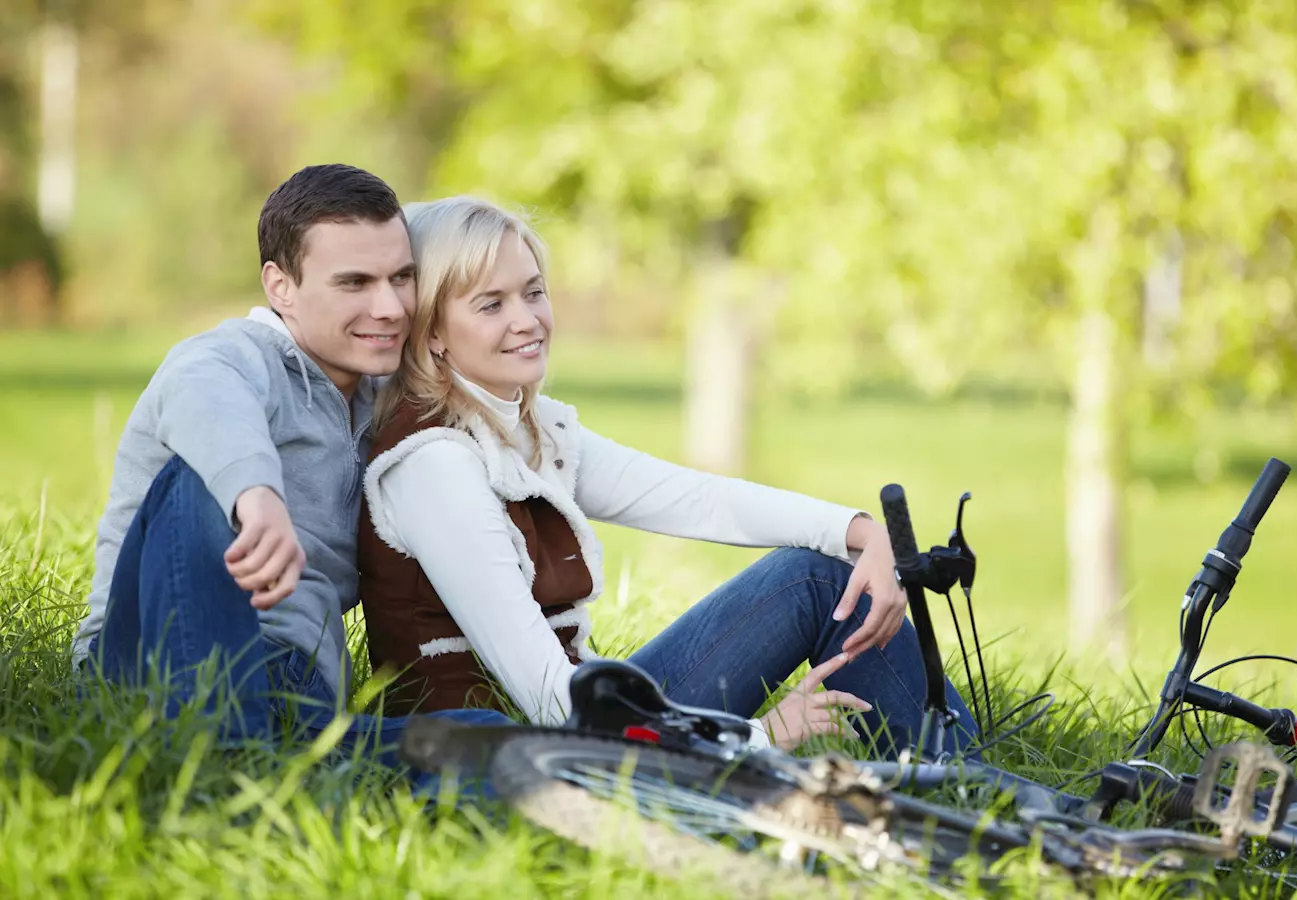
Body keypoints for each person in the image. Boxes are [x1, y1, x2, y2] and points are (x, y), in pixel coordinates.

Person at [358, 196, 978, 758]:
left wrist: (861, 532)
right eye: (491, 304)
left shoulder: (522, 425)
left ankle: (968, 775)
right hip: (517, 760)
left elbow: (697, 499)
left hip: (583, 725)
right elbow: (551, 702)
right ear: (433, 332)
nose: (527, 320)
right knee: (816, 578)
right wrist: (758, 736)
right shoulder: (433, 466)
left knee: (819, 570)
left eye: (533, 291)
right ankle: (978, 788)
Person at [72, 165, 508, 782]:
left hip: (297, 692)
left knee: (490, 741)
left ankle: (262, 767)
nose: (389, 307)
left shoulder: (386, 394)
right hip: (149, 666)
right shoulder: (232, 355)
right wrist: (255, 494)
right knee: (195, 478)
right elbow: (204, 393)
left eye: (402, 278)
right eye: (354, 282)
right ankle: (219, 762)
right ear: (281, 285)